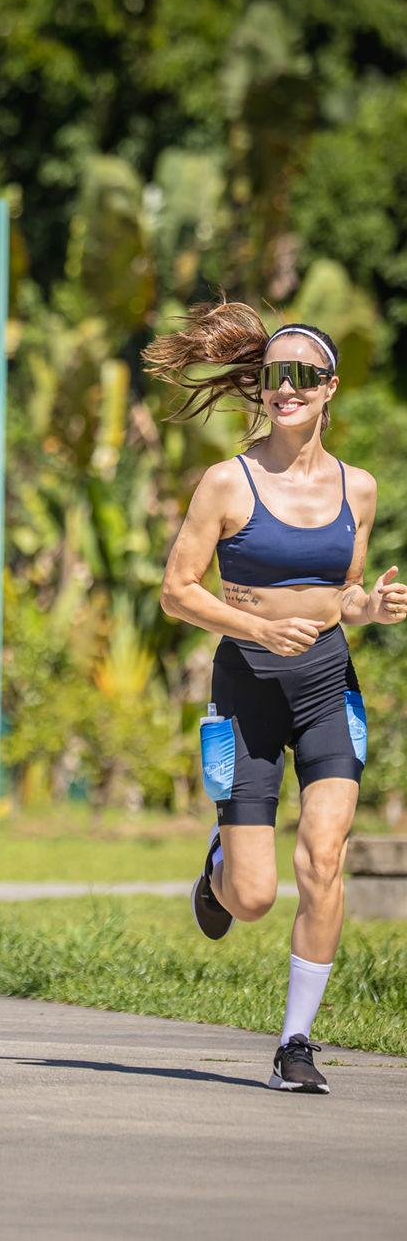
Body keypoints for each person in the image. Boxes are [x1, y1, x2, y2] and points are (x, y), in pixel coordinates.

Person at [146, 300, 407, 1094]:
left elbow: (346, 593)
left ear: (329, 389)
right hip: (247, 690)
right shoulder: (227, 482)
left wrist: (374, 608)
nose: (284, 389)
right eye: (271, 377)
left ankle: (297, 1042)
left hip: (329, 684)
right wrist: (253, 630)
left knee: (323, 856)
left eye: (300, 376)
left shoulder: (357, 489)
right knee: (255, 897)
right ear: (258, 390)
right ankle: (219, 866)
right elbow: (176, 592)